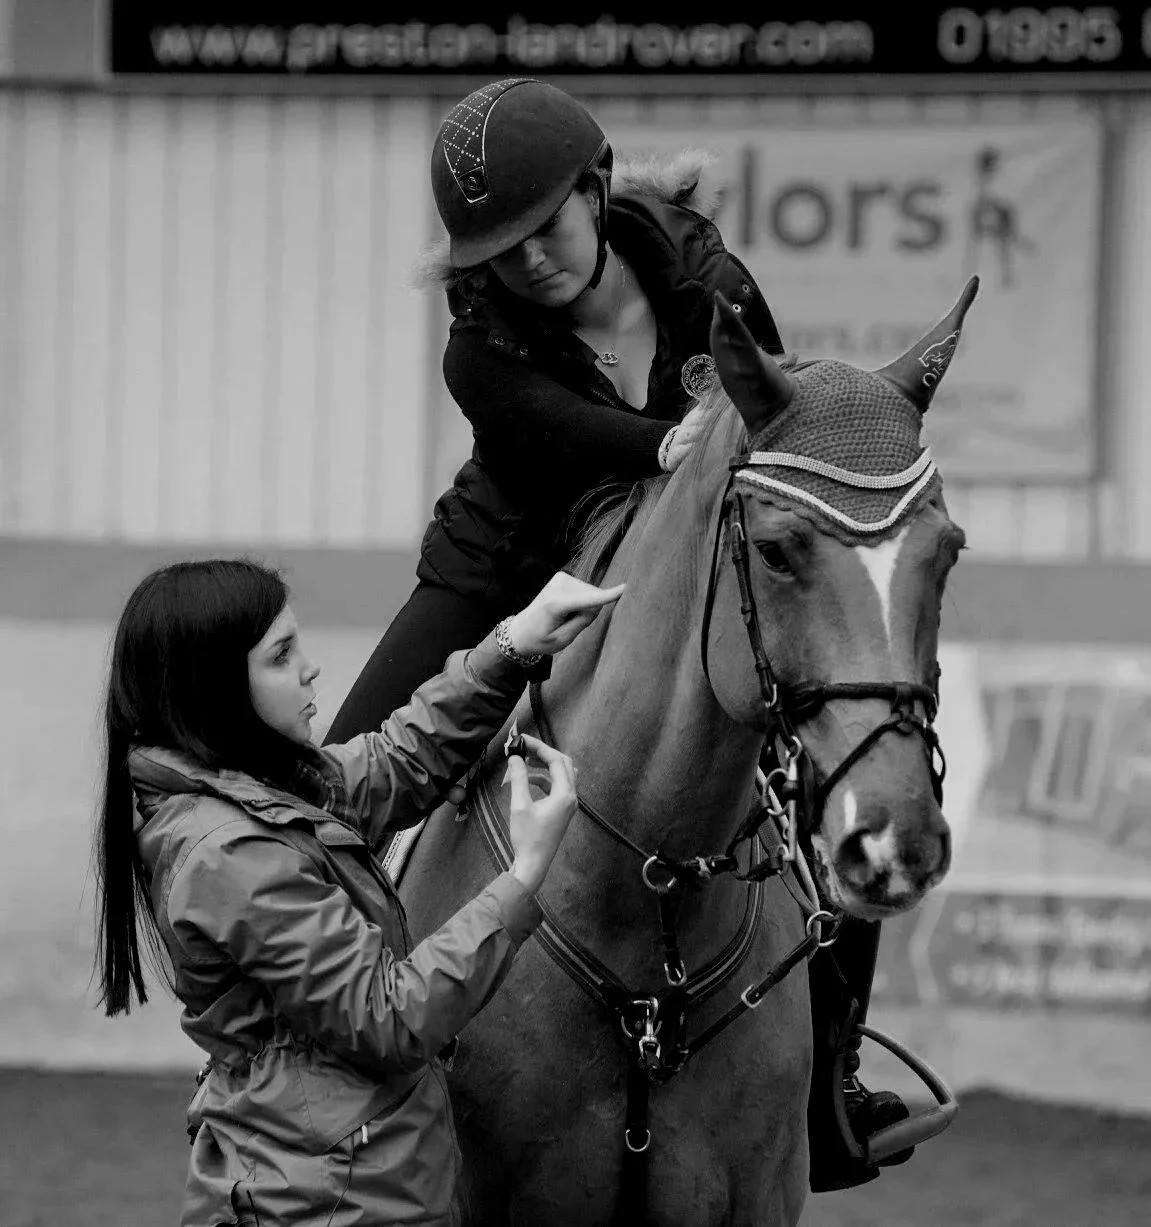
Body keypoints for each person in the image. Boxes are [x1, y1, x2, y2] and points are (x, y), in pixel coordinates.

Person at [94, 557, 624, 1226]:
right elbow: (390, 1018)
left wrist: (511, 644)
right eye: (281, 655)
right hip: (330, 1199)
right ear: (216, 688)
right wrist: (524, 871)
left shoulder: (251, 786)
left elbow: (394, 762)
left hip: (340, 1177)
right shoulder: (229, 853)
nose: (310, 668)